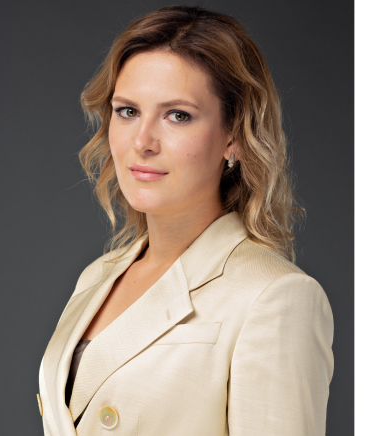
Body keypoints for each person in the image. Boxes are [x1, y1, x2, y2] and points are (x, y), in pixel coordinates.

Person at [38, 5, 334, 436]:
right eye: (127, 111)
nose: (142, 141)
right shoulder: (98, 276)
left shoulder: (275, 296)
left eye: (177, 115)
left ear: (233, 136)